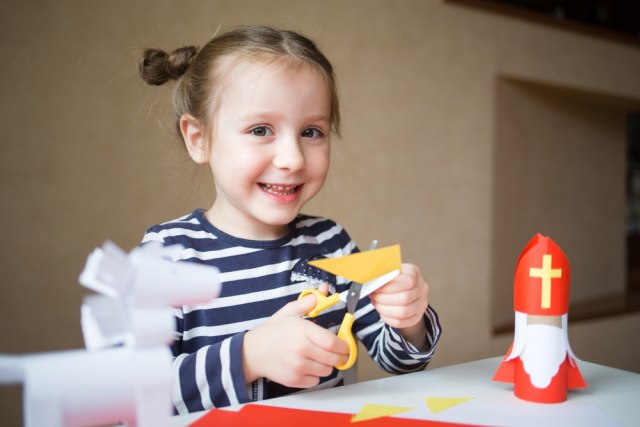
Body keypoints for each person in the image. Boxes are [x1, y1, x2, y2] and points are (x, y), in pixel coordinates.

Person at [138, 25, 441, 414]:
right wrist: (248, 357)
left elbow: (402, 361)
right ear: (199, 139)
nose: (293, 159)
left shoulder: (331, 243)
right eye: (261, 130)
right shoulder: (165, 256)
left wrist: (409, 319)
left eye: (311, 132)